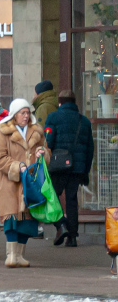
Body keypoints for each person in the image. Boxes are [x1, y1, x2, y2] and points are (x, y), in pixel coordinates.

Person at [0, 98, 49, 267]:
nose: (26, 116)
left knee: (28, 219)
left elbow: (46, 151)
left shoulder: (36, 131)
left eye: (28, 112)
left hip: (30, 182)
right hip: (9, 182)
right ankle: (11, 255)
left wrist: (42, 153)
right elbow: (0, 158)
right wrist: (18, 166)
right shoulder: (3, 132)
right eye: (22, 113)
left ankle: (20, 256)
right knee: (11, 217)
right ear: (14, 114)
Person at [42, 91, 94, 247]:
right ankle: (72, 237)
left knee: (51, 196)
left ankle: (61, 224)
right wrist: (85, 171)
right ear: (74, 102)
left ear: (60, 102)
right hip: (77, 167)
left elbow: (48, 142)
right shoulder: (84, 121)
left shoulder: (53, 117)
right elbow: (90, 149)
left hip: (58, 165)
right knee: (71, 200)